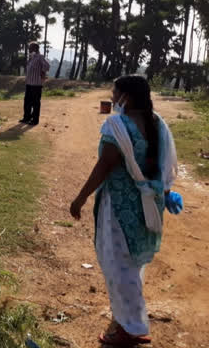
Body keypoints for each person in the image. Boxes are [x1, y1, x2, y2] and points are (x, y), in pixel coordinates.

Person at [70, 76, 182, 346]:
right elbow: (162, 166)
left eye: (115, 93)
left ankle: (131, 328)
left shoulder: (117, 126)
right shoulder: (157, 123)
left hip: (120, 206)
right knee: (132, 264)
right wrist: (166, 194)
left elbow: (104, 166)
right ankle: (126, 317)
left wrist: (80, 198)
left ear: (126, 98)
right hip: (149, 205)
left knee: (119, 267)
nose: (112, 96)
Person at [20, 42, 50, 125]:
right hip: (29, 83)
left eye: (30, 47)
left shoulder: (40, 57)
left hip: (36, 84)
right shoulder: (31, 58)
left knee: (35, 103)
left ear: (35, 48)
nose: (29, 49)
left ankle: (35, 120)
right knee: (27, 102)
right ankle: (26, 118)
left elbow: (47, 66)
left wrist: (43, 72)